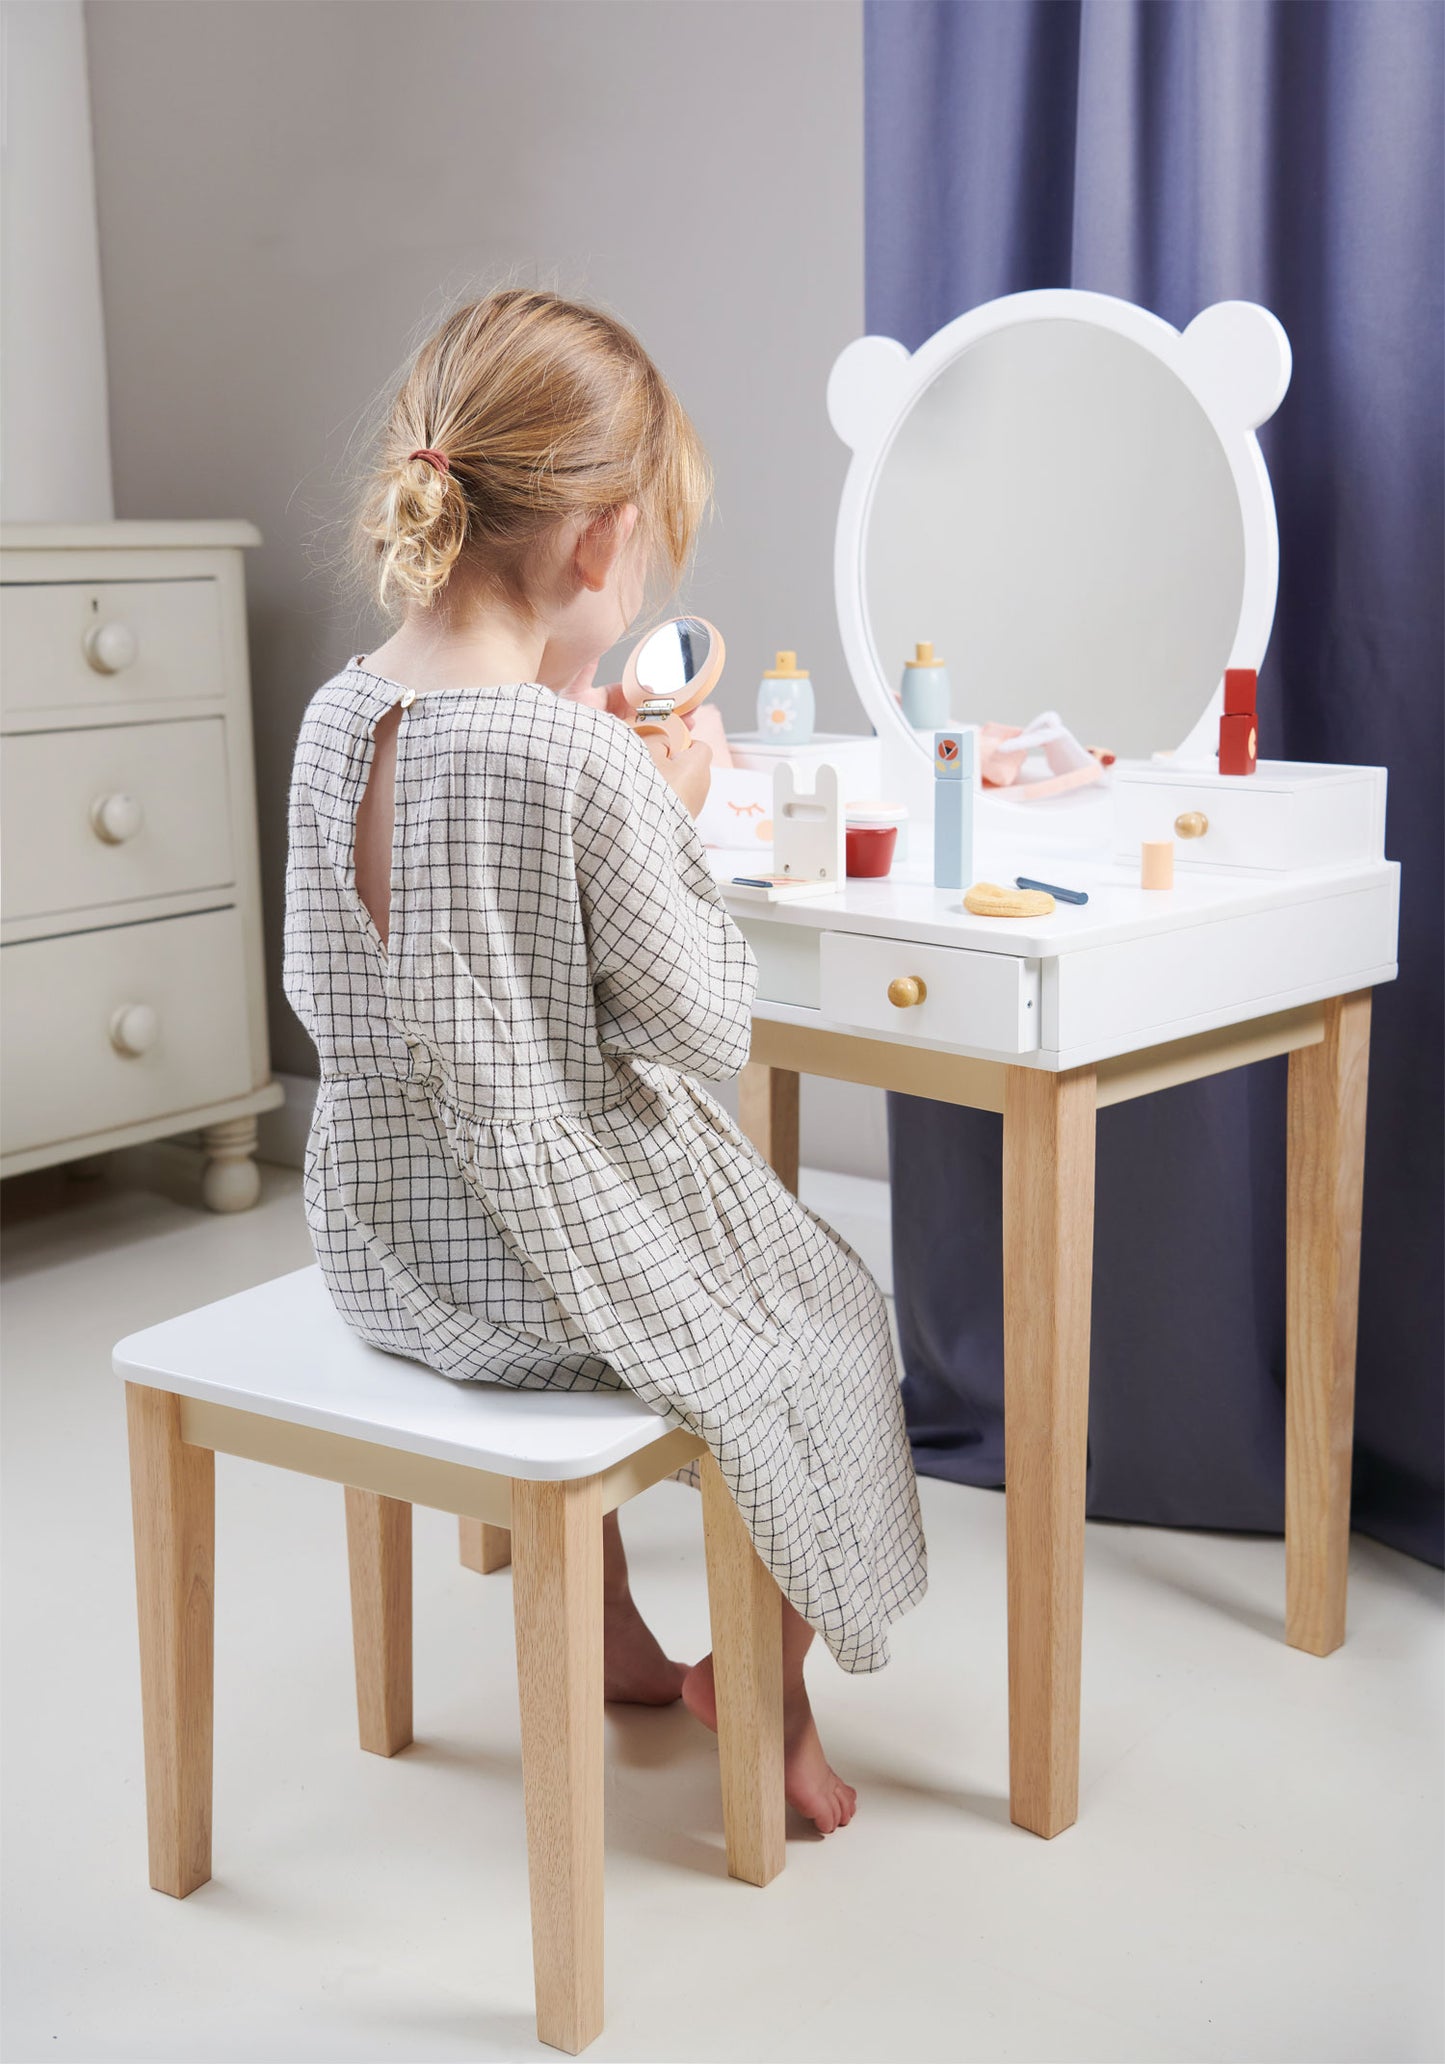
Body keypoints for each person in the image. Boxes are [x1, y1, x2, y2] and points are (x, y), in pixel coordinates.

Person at [282, 289, 926, 1835]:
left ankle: (621, 1639)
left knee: (736, 1309)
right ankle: (763, 1710)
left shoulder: (334, 713)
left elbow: (336, 981)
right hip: (531, 1258)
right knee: (814, 1322)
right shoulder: (576, 755)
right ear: (596, 544)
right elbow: (699, 1025)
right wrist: (678, 810)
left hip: (373, 1232)